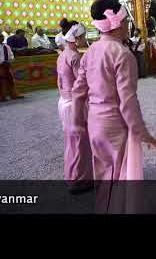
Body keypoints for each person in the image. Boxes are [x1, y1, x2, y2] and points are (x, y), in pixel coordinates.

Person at [70, 0, 156, 213]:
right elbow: (128, 103)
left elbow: (78, 93)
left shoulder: (90, 52)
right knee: (121, 179)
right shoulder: (122, 54)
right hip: (115, 125)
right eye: (126, 20)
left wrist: (77, 123)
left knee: (103, 176)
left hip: (94, 122)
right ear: (118, 23)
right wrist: (143, 134)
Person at [56, 23, 93, 194]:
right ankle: (80, 179)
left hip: (64, 101)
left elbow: (59, 82)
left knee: (71, 141)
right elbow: (81, 84)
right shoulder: (75, 57)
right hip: (74, 103)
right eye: (83, 36)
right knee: (81, 142)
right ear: (76, 38)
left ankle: (72, 176)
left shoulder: (61, 55)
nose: (85, 39)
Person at [0, 33, 24, 102]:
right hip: (1, 65)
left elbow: (11, 55)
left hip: (7, 65)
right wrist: (2, 62)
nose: (2, 38)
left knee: (11, 80)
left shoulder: (6, 46)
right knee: (2, 81)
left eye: (2, 37)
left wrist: (9, 61)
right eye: (0, 37)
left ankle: (13, 94)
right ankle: (2, 96)